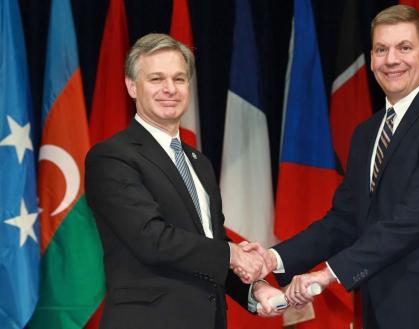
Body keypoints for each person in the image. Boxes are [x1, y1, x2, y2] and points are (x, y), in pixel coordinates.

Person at [240, 5, 419, 329]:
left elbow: (414, 218)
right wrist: (272, 259)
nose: (391, 60)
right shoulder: (366, 134)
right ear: (371, 59)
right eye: (381, 49)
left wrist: (329, 273)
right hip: (380, 314)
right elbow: (344, 220)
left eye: (404, 48)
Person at [85, 33, 283, 329]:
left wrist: (255, 290)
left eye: (179, 79)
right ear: (131, 86)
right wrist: (232, 254)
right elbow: (151, 238)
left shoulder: (198, 162)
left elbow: (208, 245)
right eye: (156, 79)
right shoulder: (112, 157)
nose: (170, 89)